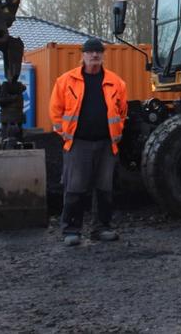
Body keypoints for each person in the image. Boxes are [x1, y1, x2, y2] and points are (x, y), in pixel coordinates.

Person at [50, 37, 128, 247]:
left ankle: (101, 228)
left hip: (106, 144)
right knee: (74, 187)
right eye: (90, 52)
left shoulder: (116, 82)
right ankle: (71, 230)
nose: (95, 55)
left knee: (104, 189)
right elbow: (55, 112)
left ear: (103, 56)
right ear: (82, 55)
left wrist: (117, 132)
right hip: (78, 143)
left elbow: (122, 112)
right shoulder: (65, 81)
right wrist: (65, 134)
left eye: (98, 52)